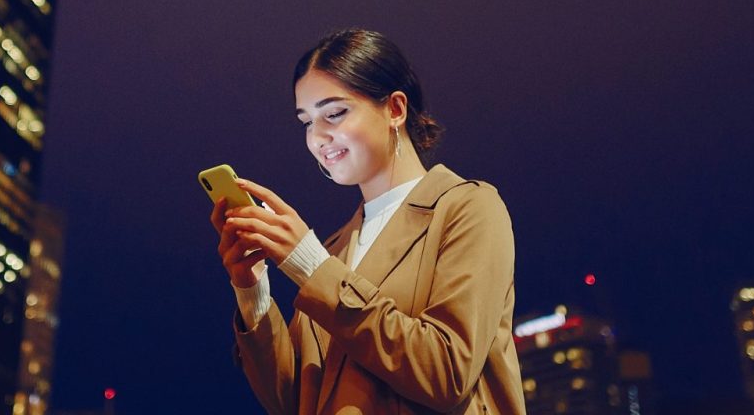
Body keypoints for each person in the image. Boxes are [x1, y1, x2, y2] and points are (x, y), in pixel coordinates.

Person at [211, 28, 523, 414]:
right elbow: (295, 401)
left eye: (334, 113)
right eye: (307, 121)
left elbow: (447, 372)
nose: (318, 138)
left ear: (394, 109)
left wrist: (311, 266)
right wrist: (252, 290)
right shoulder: (334, 249)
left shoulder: (468, 208)